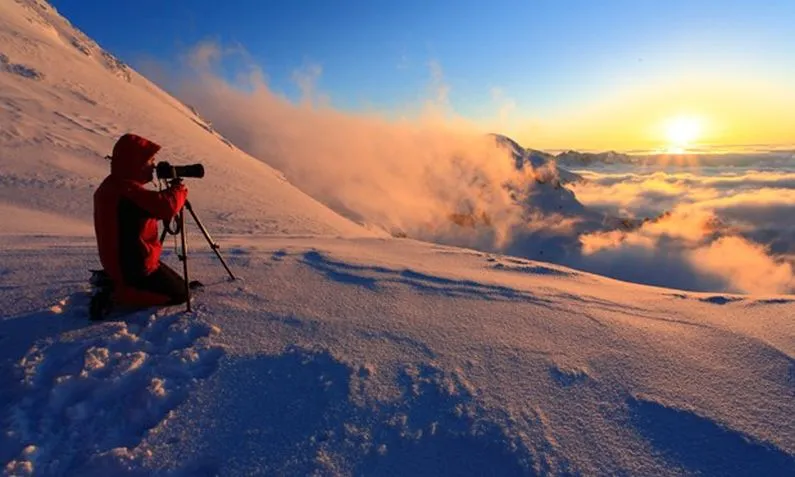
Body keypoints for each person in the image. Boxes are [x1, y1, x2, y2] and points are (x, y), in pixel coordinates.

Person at [92, 133, 189, 318]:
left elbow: (143, 210)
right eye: (150, 160)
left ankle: (113, 281)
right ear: (135, 162)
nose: (153, 165)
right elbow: (166, 207)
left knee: (178, 283)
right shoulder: (127, 191)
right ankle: (115, 293)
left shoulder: (112, 185)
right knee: (180, 294)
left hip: (120, 262)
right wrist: (179, 190)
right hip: (133, 268)